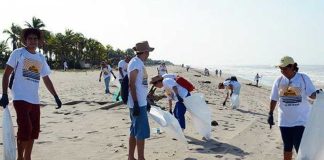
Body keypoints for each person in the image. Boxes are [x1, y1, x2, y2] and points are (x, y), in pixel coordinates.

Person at [0, 28, 62, 160]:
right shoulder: (18, 53)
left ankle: (27, 157)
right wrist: (4, 94)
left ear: (39, 41)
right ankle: (19, 157)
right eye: (30, 39)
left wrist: (55, 96)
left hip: (34, 99)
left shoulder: (40, 57)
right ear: (25, 40)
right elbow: (6, 74)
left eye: (35, 39)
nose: (32, 41)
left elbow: (46, 78)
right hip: (20, 97)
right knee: (25, 129)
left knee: (34, 131)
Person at [267, 56, 316, 160]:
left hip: (301, 121)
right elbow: (274, 98)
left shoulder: (303, 78)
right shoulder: (279, 80)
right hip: (284, 121)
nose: (282, 71)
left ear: (292, 66)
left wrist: (318, 95)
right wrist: (270, 114)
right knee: (287, 147)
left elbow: (312, 94)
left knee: (300, 148)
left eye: (285, 68)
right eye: (281, 69)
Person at [127, 41, 154, 160]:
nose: (149, 54)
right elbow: (131, 84)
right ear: (145, 52)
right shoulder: (135, 63)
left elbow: (140, 85)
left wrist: (146, 100)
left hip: (140, 102)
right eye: (148, 52)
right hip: (137, 103)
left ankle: (131, 157)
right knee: (140, 133)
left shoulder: (139, 63)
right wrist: (137, 103)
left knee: (134, 131)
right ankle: (141, 158)